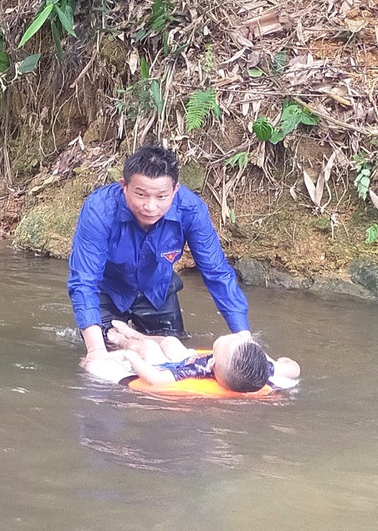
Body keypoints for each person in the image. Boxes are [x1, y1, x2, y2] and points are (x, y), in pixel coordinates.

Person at [67, 145, 251, 369]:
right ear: (124, 186)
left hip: (158, 290)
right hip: (110, 290)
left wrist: (244, 338)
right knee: (110, 346)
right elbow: (84, 280)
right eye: (141, 194)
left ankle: (134, 338)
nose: (150, 206)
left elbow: (217, 273)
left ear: (175, 191)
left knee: (174, 348)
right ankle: (122, 338)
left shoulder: (191, 210)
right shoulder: (99, 209)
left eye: (162, 196)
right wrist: (96, 351)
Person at [106, 319, 300, 392]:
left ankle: (124, 340)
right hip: (187, 356)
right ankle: (137, 334)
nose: (238, 334)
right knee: (171, 342)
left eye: (231, 339)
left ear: (213, 361)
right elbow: (294, 369)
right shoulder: (264, 368)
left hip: (175, 365)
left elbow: (155, 379)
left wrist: (131, 356)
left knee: (148, 347)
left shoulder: (198, 369)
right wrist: (278, 361)